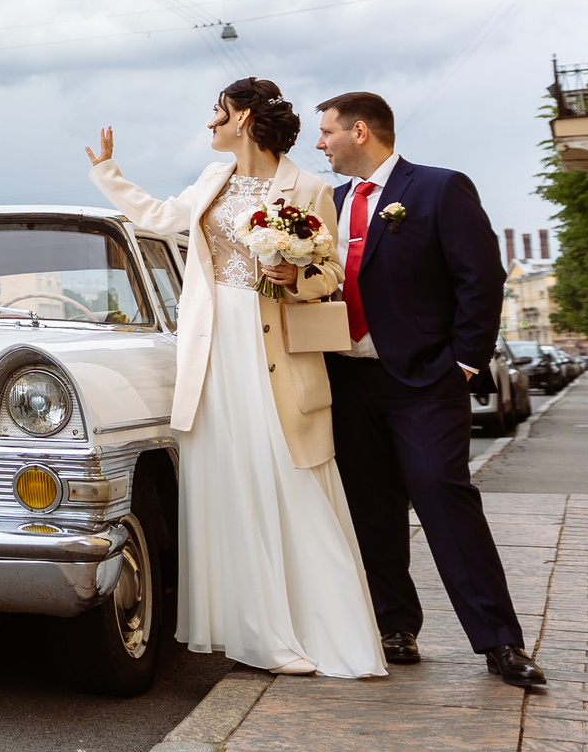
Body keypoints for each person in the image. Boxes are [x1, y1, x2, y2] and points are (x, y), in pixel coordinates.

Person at [88, 77, 385, 679]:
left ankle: (311, 626)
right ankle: (255, 629)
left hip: (271, 343)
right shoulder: (211, 179)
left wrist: (294, 276)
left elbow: (330, 273)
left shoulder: (309, 188)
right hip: (212, 344)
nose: (210, 123)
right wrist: (109, 175)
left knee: (285, 473)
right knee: (229, 477)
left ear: (244, 118)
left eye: (218, 113)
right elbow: (161, 217)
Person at [314, 92, 545, 689]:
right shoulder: (328, 204)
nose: (320, 143)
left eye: (327, 132)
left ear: (359, 132)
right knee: (370, 507)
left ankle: (500, 640)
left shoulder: (440, 189)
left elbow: (480, 278)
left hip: (424, 381)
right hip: (347, 379)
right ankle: (395, 626)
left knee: (443, 494)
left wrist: (463, 363)